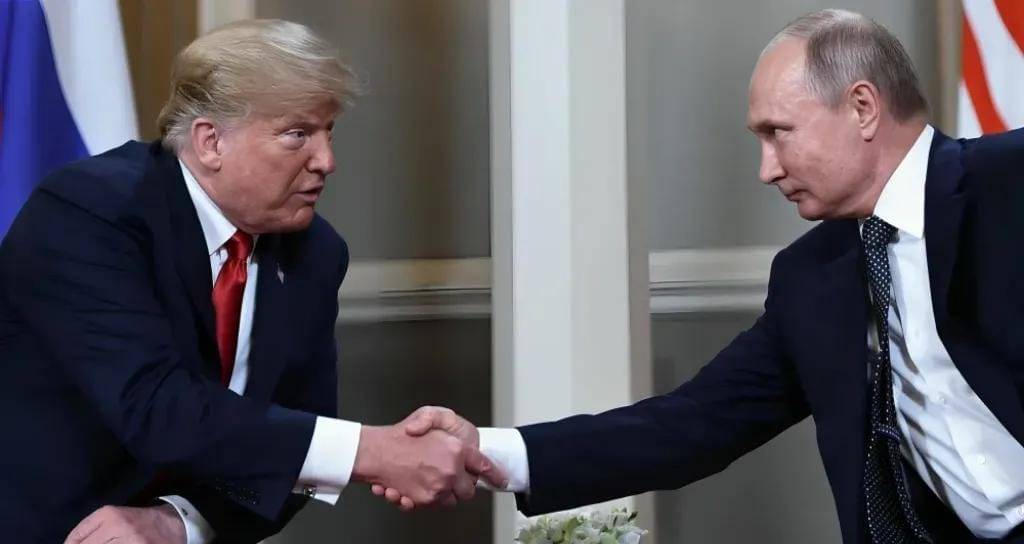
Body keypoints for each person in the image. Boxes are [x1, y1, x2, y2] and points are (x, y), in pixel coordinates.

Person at [388, 9, 1024, 544]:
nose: (766, 170)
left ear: (862, 107)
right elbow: (691, 425)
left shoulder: (1010, 184)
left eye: (778, 133)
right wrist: (487, 451)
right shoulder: (812, 278)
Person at [0, 19, 503, 544]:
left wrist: (181, 522)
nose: (327, 162)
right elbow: (158, 406)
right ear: (211, 141)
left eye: (329, 132)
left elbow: (292, 448)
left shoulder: (315, 252)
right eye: (297, 134)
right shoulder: (91, 213)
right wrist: (373, 451)